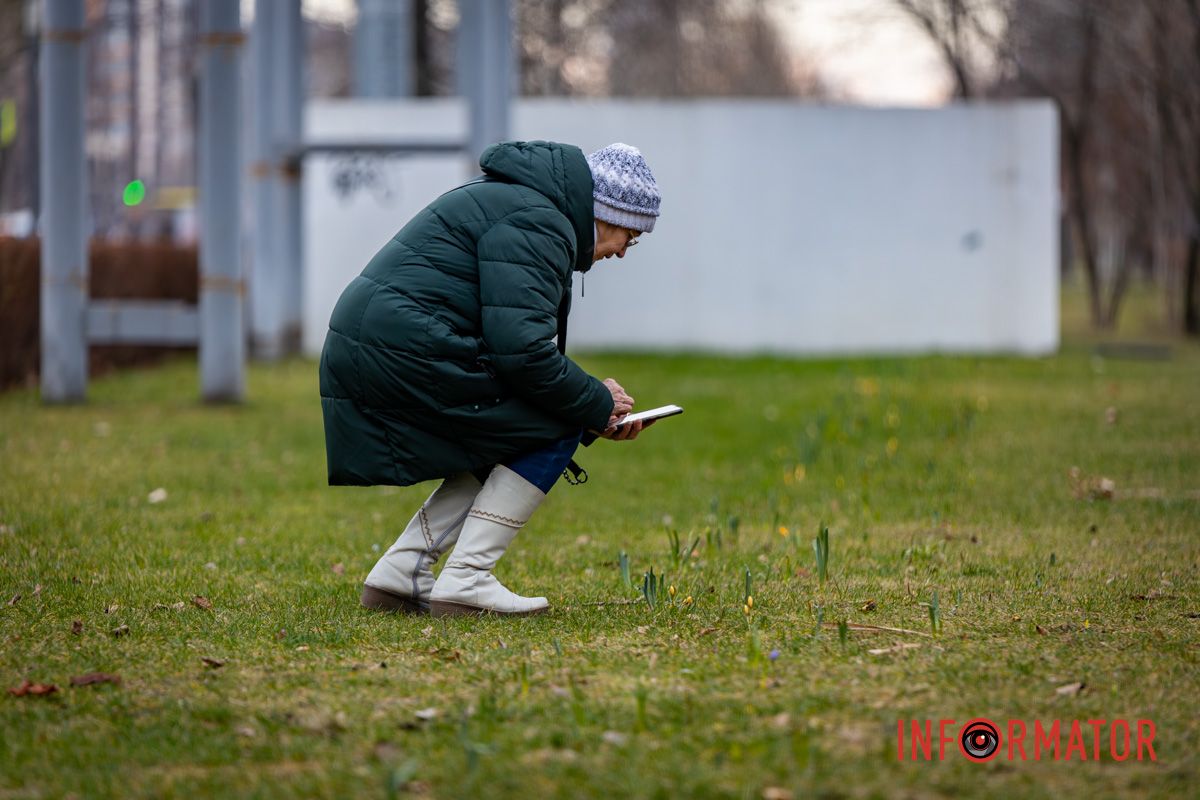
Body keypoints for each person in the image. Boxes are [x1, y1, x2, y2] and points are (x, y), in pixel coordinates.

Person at [319, 140, 662, 618]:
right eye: (631, 235)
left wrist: (591, 409)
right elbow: (523, 355)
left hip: (381, 343)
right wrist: (593, 402)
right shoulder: (540, 222)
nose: (625, 251)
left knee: (520, 422)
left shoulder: (528, 206)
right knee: (552, 419)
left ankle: (402, 571)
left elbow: (516, 354)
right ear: (606, 213)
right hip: (402, 349)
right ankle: (467, 578)